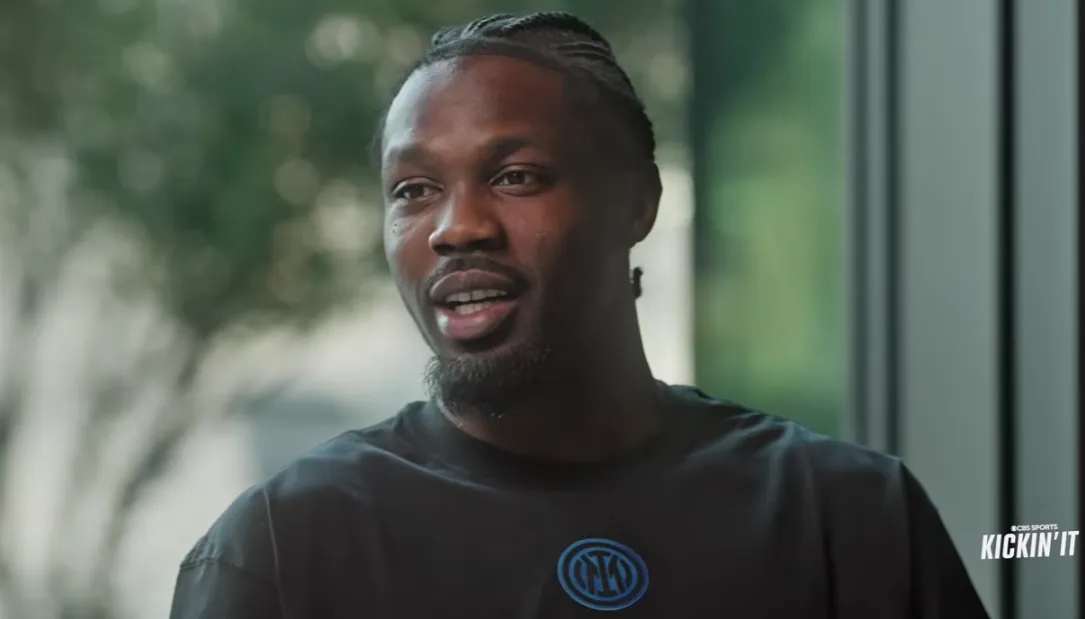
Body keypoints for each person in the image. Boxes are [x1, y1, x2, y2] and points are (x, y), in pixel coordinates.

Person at [170, 12, 990, 619]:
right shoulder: (287, 549)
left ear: (637, 201)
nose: (456, 227)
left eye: (516, 176)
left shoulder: (845, 516)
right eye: (413, 190)